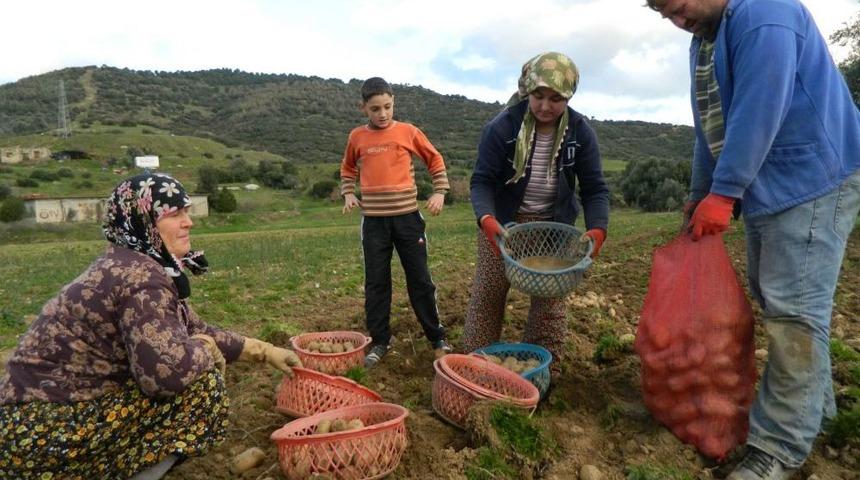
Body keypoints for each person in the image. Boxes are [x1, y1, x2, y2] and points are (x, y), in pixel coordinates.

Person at [646, 1, 860, 478]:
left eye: (678, 8)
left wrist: (725, 192)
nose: (678, 22)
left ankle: (778, 450)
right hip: (774, 186)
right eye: (666, 16)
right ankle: (815, 412)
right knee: (778, 298)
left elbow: (759, 107)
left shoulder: (766, 12)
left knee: (793, 313)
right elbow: (709, 125)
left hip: (811, 180)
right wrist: (701, 192)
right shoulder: (705, 37)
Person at [0, 173, 302, 480]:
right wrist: (204, 350)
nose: (189, 222)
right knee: (202, 389)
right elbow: (164, 377)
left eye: (186, 211)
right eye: (174, 214)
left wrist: (264, 351)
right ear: (143, 220)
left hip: (27, 425)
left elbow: (191, 326)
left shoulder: (131, 262)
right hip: (45, 431)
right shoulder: (141, 279)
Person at [465, 52, 610, 372]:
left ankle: (542, 370)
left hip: (552, 228)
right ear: (527, 92)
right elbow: (482, 182)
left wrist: (598, 228)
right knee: (488, 295)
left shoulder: (580, 132)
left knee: (549, 305)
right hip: (503, 226)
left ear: (569, 96)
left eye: (556, 98)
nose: (545, 106)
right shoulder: (501, 128)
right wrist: (486, 219)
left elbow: (595, 188)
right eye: (538, 96)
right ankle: (475, 366)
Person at [340, 77, 453, 367]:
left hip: (407, 220)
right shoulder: (357, 137)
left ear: (394, 102)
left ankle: (436, 337)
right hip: (374, 223)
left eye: (387, 107)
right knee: (376, 282)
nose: (382, 114)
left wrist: (439, 192)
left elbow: (434, 159)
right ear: (363, 108)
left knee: (420, 279)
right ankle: (380, 341)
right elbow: (348, 167)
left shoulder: (408, 132)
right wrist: (349, 193)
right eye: (375, 108)